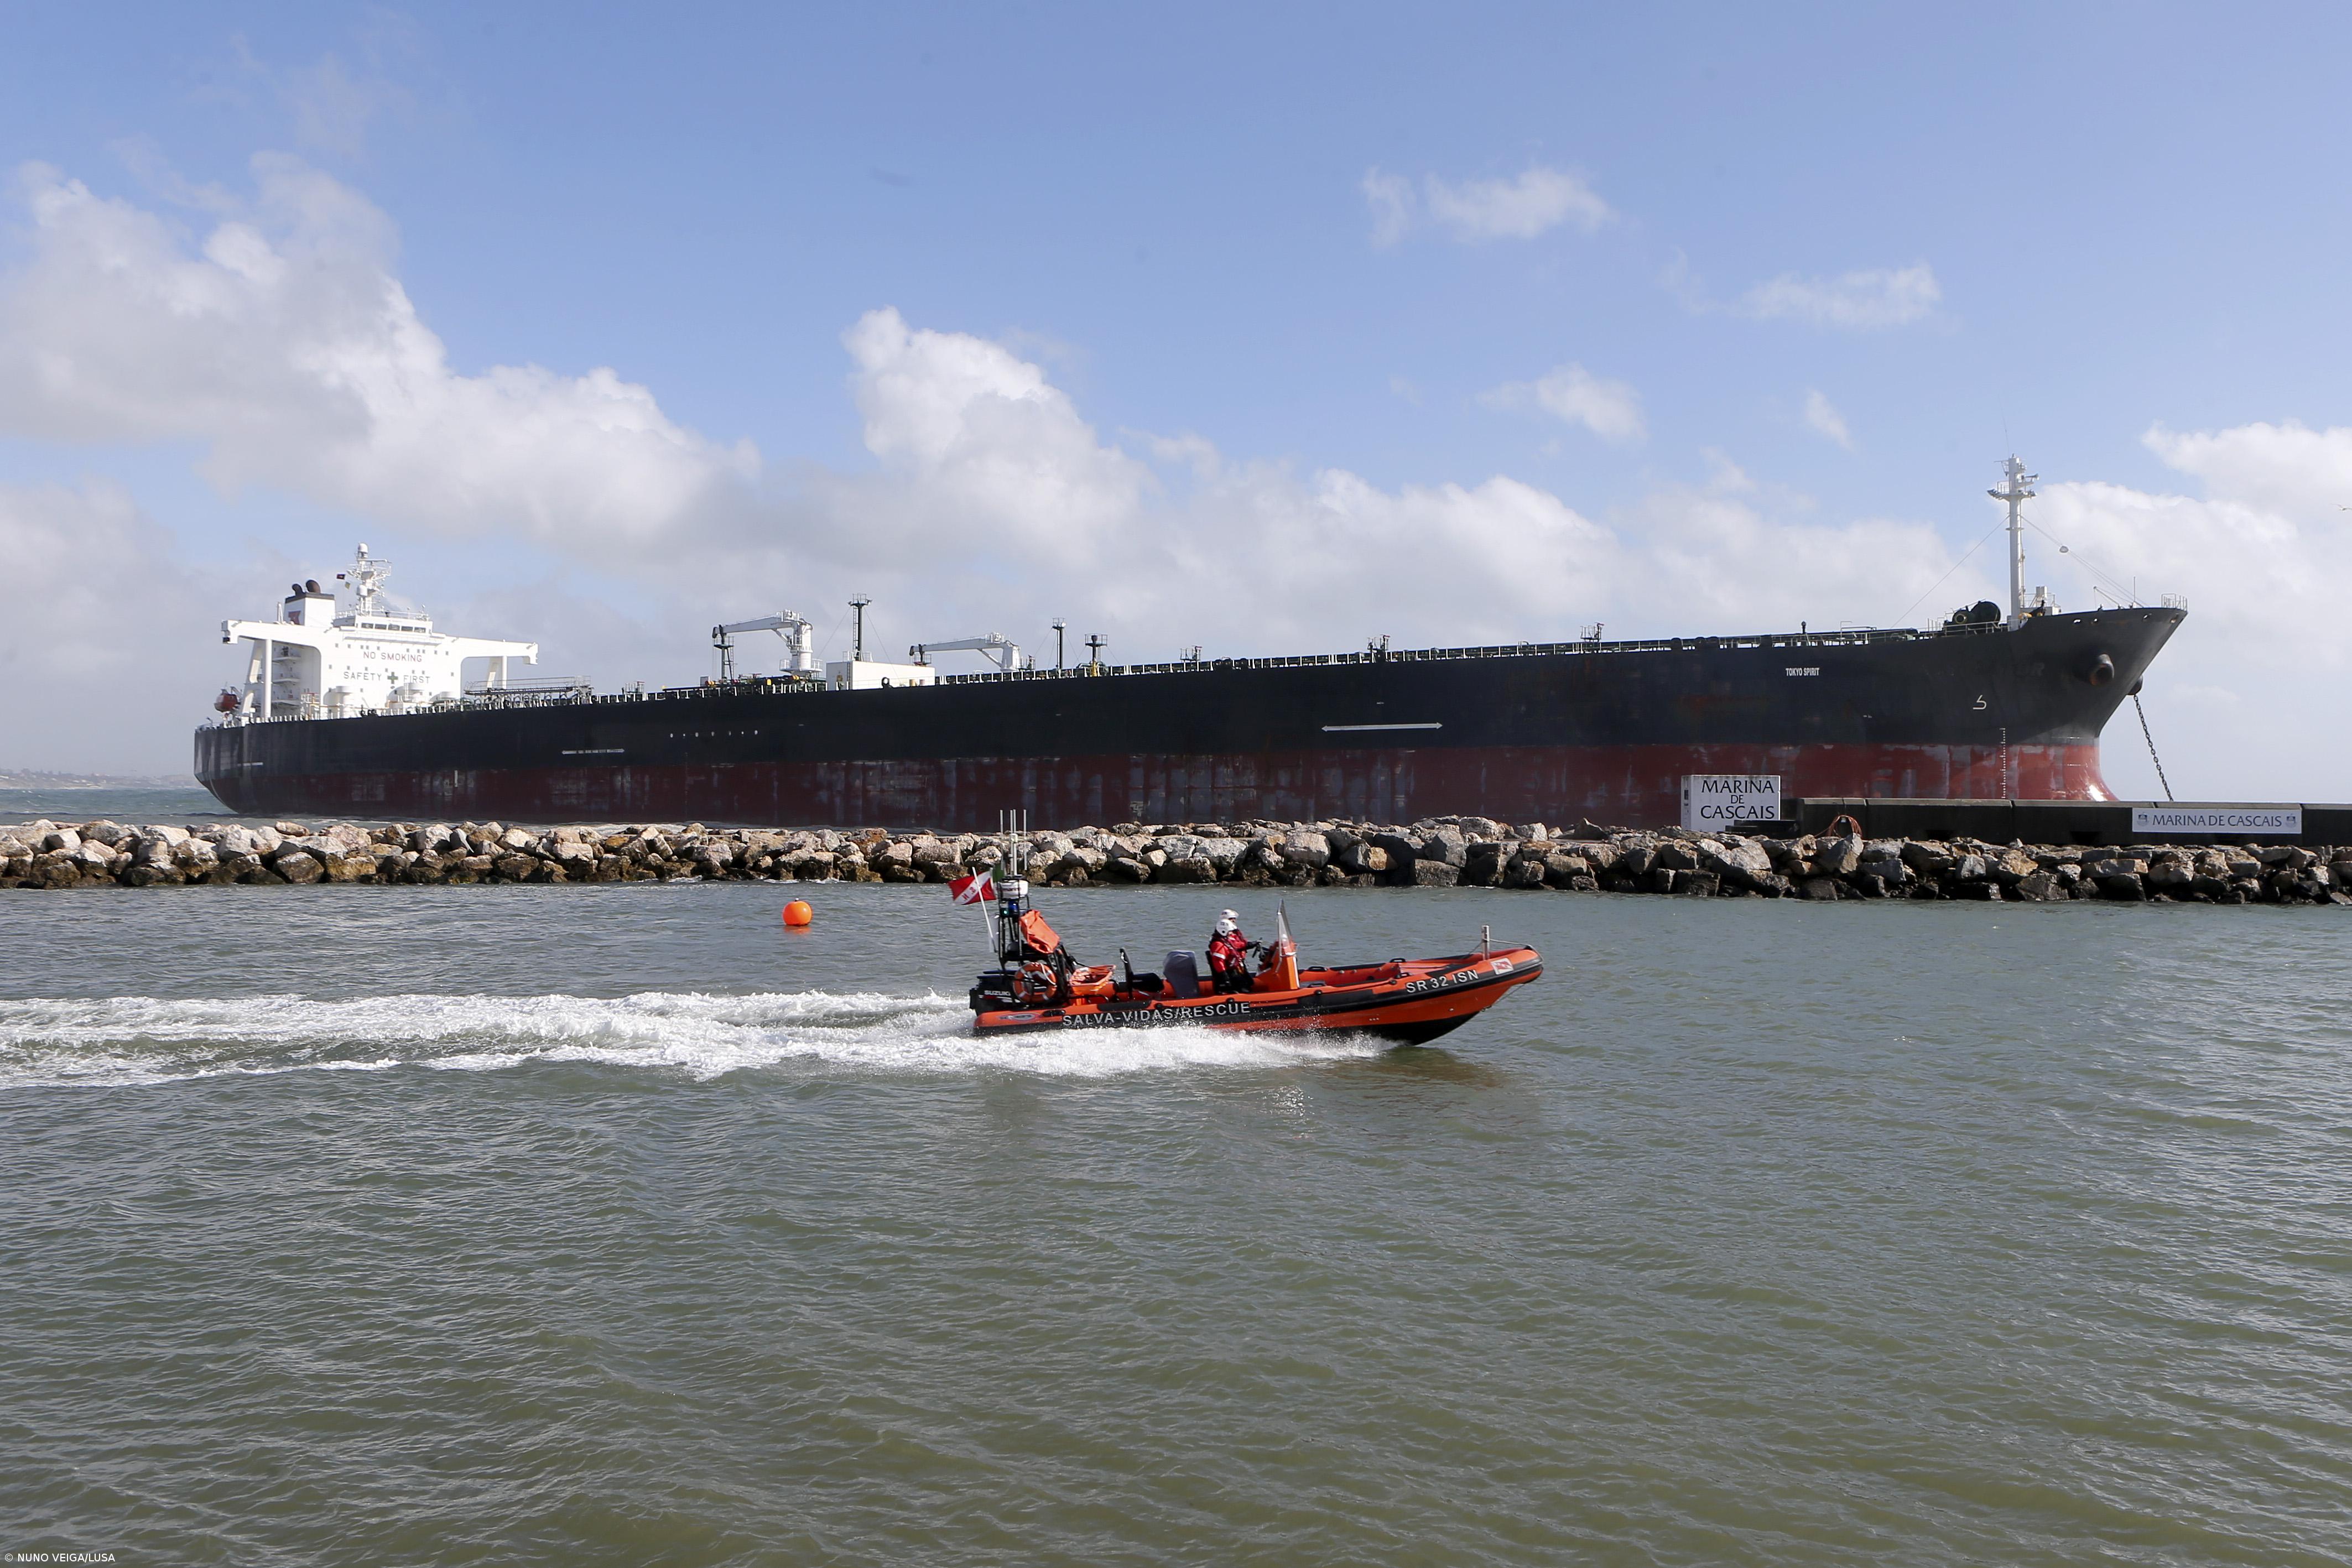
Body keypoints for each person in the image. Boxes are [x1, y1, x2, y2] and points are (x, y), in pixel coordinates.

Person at [1206, 909, 1252, 992]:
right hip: (1229, 971)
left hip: (1234, 966)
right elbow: (1219, 963)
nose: (1231, 933)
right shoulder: (1218, 944)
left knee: (1249, 982)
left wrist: (1250, 945)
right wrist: (1225, 977)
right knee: (1244, 987)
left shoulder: (1226, 940)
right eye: (1232, 918)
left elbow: (1237, 945)